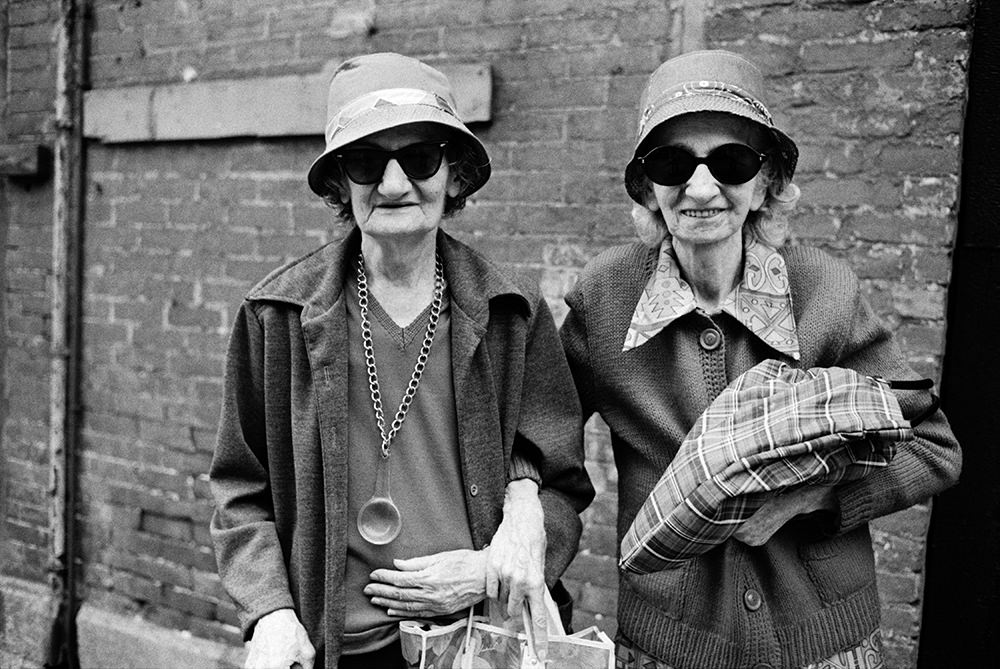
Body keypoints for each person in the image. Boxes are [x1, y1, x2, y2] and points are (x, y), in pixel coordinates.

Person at [559, 49, 961, 669]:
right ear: (645, 185)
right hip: (672, 646)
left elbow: (934, 446)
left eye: (731, 161)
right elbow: (541, 442)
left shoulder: (825, 290)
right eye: (671, 163)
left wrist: (812, 497)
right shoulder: (605, 298)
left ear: (766, 178)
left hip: (824, 642)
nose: (700, 187)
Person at [210, 52, 594, 669]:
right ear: (340, 181)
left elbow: (561, 483)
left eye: (419, 159)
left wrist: (489, 571)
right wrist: (271, 612)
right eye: (366, 161)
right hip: (336, 649)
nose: (393, 184)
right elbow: (240, 491)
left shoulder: (510, 313)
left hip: (479, 642)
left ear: (455, 174)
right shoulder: (276, 314)